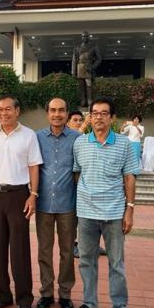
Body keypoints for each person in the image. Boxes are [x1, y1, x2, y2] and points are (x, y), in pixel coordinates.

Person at [72, 96, 140, 308]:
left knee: (116, 263)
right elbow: (77, 174)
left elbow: (129, 177)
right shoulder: (80, 143)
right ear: (90, 117)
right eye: (94, 113)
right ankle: (89, 303)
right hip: (86, 213)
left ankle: (120, 306)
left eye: (104, 113)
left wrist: (129, 210)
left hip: (114, 213)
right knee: (86, 261)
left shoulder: (124, 144)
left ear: (112, 117)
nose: (98, 117)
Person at [0, 94, 42, 308]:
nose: (3, 113)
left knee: (20, 249)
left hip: (19, 196)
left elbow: (34, 166)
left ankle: (24, 299)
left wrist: (33, 195)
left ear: (17, 111)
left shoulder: (29, 135)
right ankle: (2, 296)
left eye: (7, 109)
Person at [35, 98, 80, 308]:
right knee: (44, 251)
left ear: (67, 113)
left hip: (68, 204)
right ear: (47, 114)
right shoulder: (37, 138)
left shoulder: (77, 139)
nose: (57, 114)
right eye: (53, 110)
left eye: (61, 110)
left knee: (67, 252)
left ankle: (65, 294)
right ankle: (46, 293)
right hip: (43, 203)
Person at [67, 111, 106, 259]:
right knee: (73, 219)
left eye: (80, 120)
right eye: (75, 120)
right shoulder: (69, 137)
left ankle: (92, 244)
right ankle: (72, 246)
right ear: (68, 123)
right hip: (71, 184)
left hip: (87, 184)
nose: (78, 123)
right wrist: (84, 125)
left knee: (92, 218)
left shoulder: (86, 137)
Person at [71, 31, 102, 107]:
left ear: (89, 37)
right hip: (79, 68)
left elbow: (99, 59)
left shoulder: (94, 47)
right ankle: (83, 100)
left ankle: (89, 100)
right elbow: (74, 60)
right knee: (81, 86)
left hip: (88, 68)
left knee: (89, 85)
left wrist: (92, 67)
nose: (85, 37)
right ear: (81, 37)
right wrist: (73, 72)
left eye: (86, 36)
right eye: (83, 36)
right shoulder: (77, 48)